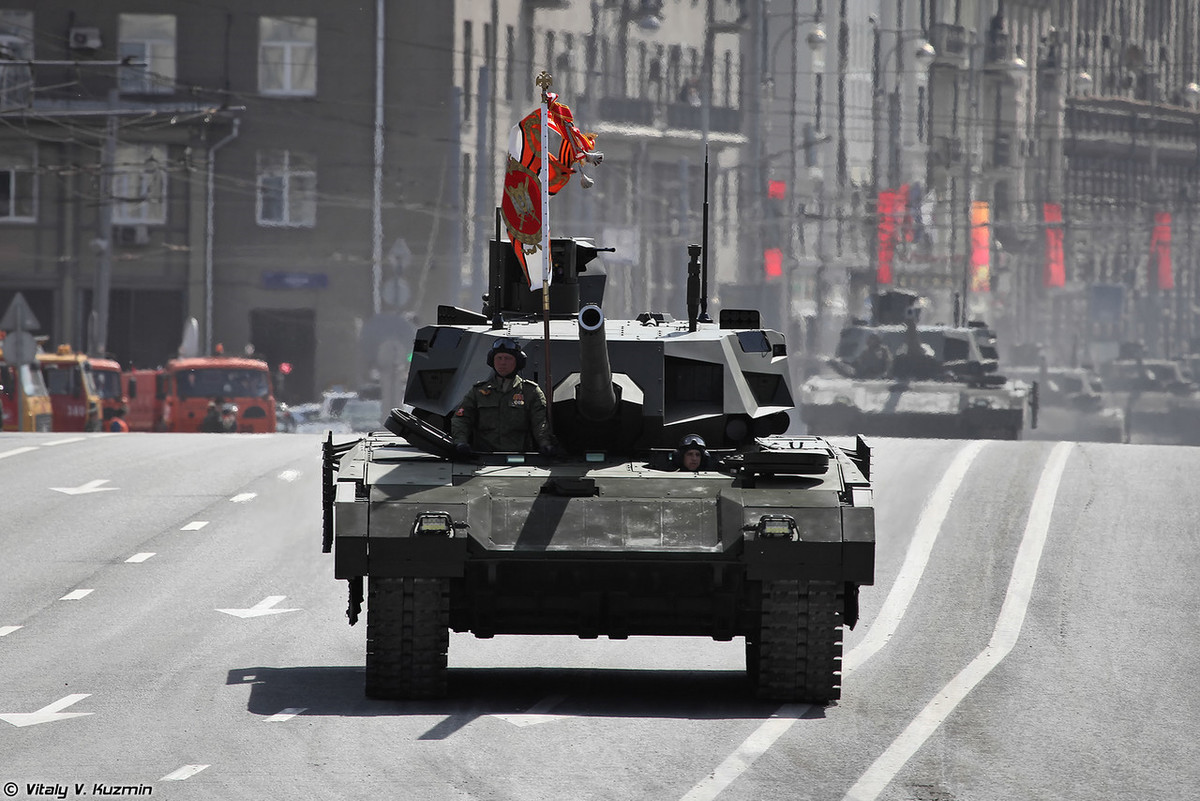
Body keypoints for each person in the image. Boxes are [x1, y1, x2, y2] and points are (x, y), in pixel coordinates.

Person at [450, 338, 556, 456]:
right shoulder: (478, 392)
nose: (502, 363)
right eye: (499, 358)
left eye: (508, 358)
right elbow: (462, 418)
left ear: (518, 362)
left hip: (521, 458)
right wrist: (460, 442)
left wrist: (545, 444)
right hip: (483, 457)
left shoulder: (530, 392)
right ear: (492, 361)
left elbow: (540, 422)